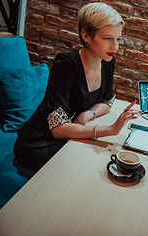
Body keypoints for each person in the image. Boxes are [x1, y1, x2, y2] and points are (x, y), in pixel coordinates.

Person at [14, 3, 140, 175]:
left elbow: (107, 100)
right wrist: (110, 129)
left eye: (118, 39)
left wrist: (89, 114)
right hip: (41, 141)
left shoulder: (108, 62)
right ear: (86, 35)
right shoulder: (65, 65)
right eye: (107, 38)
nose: (115, 47)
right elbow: (58, 129)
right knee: (88, 166)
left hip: (72, 134)